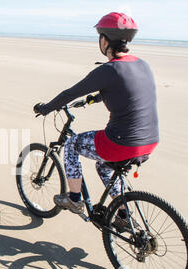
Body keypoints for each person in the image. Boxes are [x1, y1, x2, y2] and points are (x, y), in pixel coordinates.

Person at [33, 12, 159, 226]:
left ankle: (73, 199)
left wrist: (46, 108)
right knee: (104, 167)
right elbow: (126, 91)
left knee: (72, 144)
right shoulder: (142, 64)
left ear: (105, 40)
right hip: (150, 141)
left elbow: (70, 93)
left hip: (121, 142)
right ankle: (122, 214)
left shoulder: (108, 69)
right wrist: (95, 99)